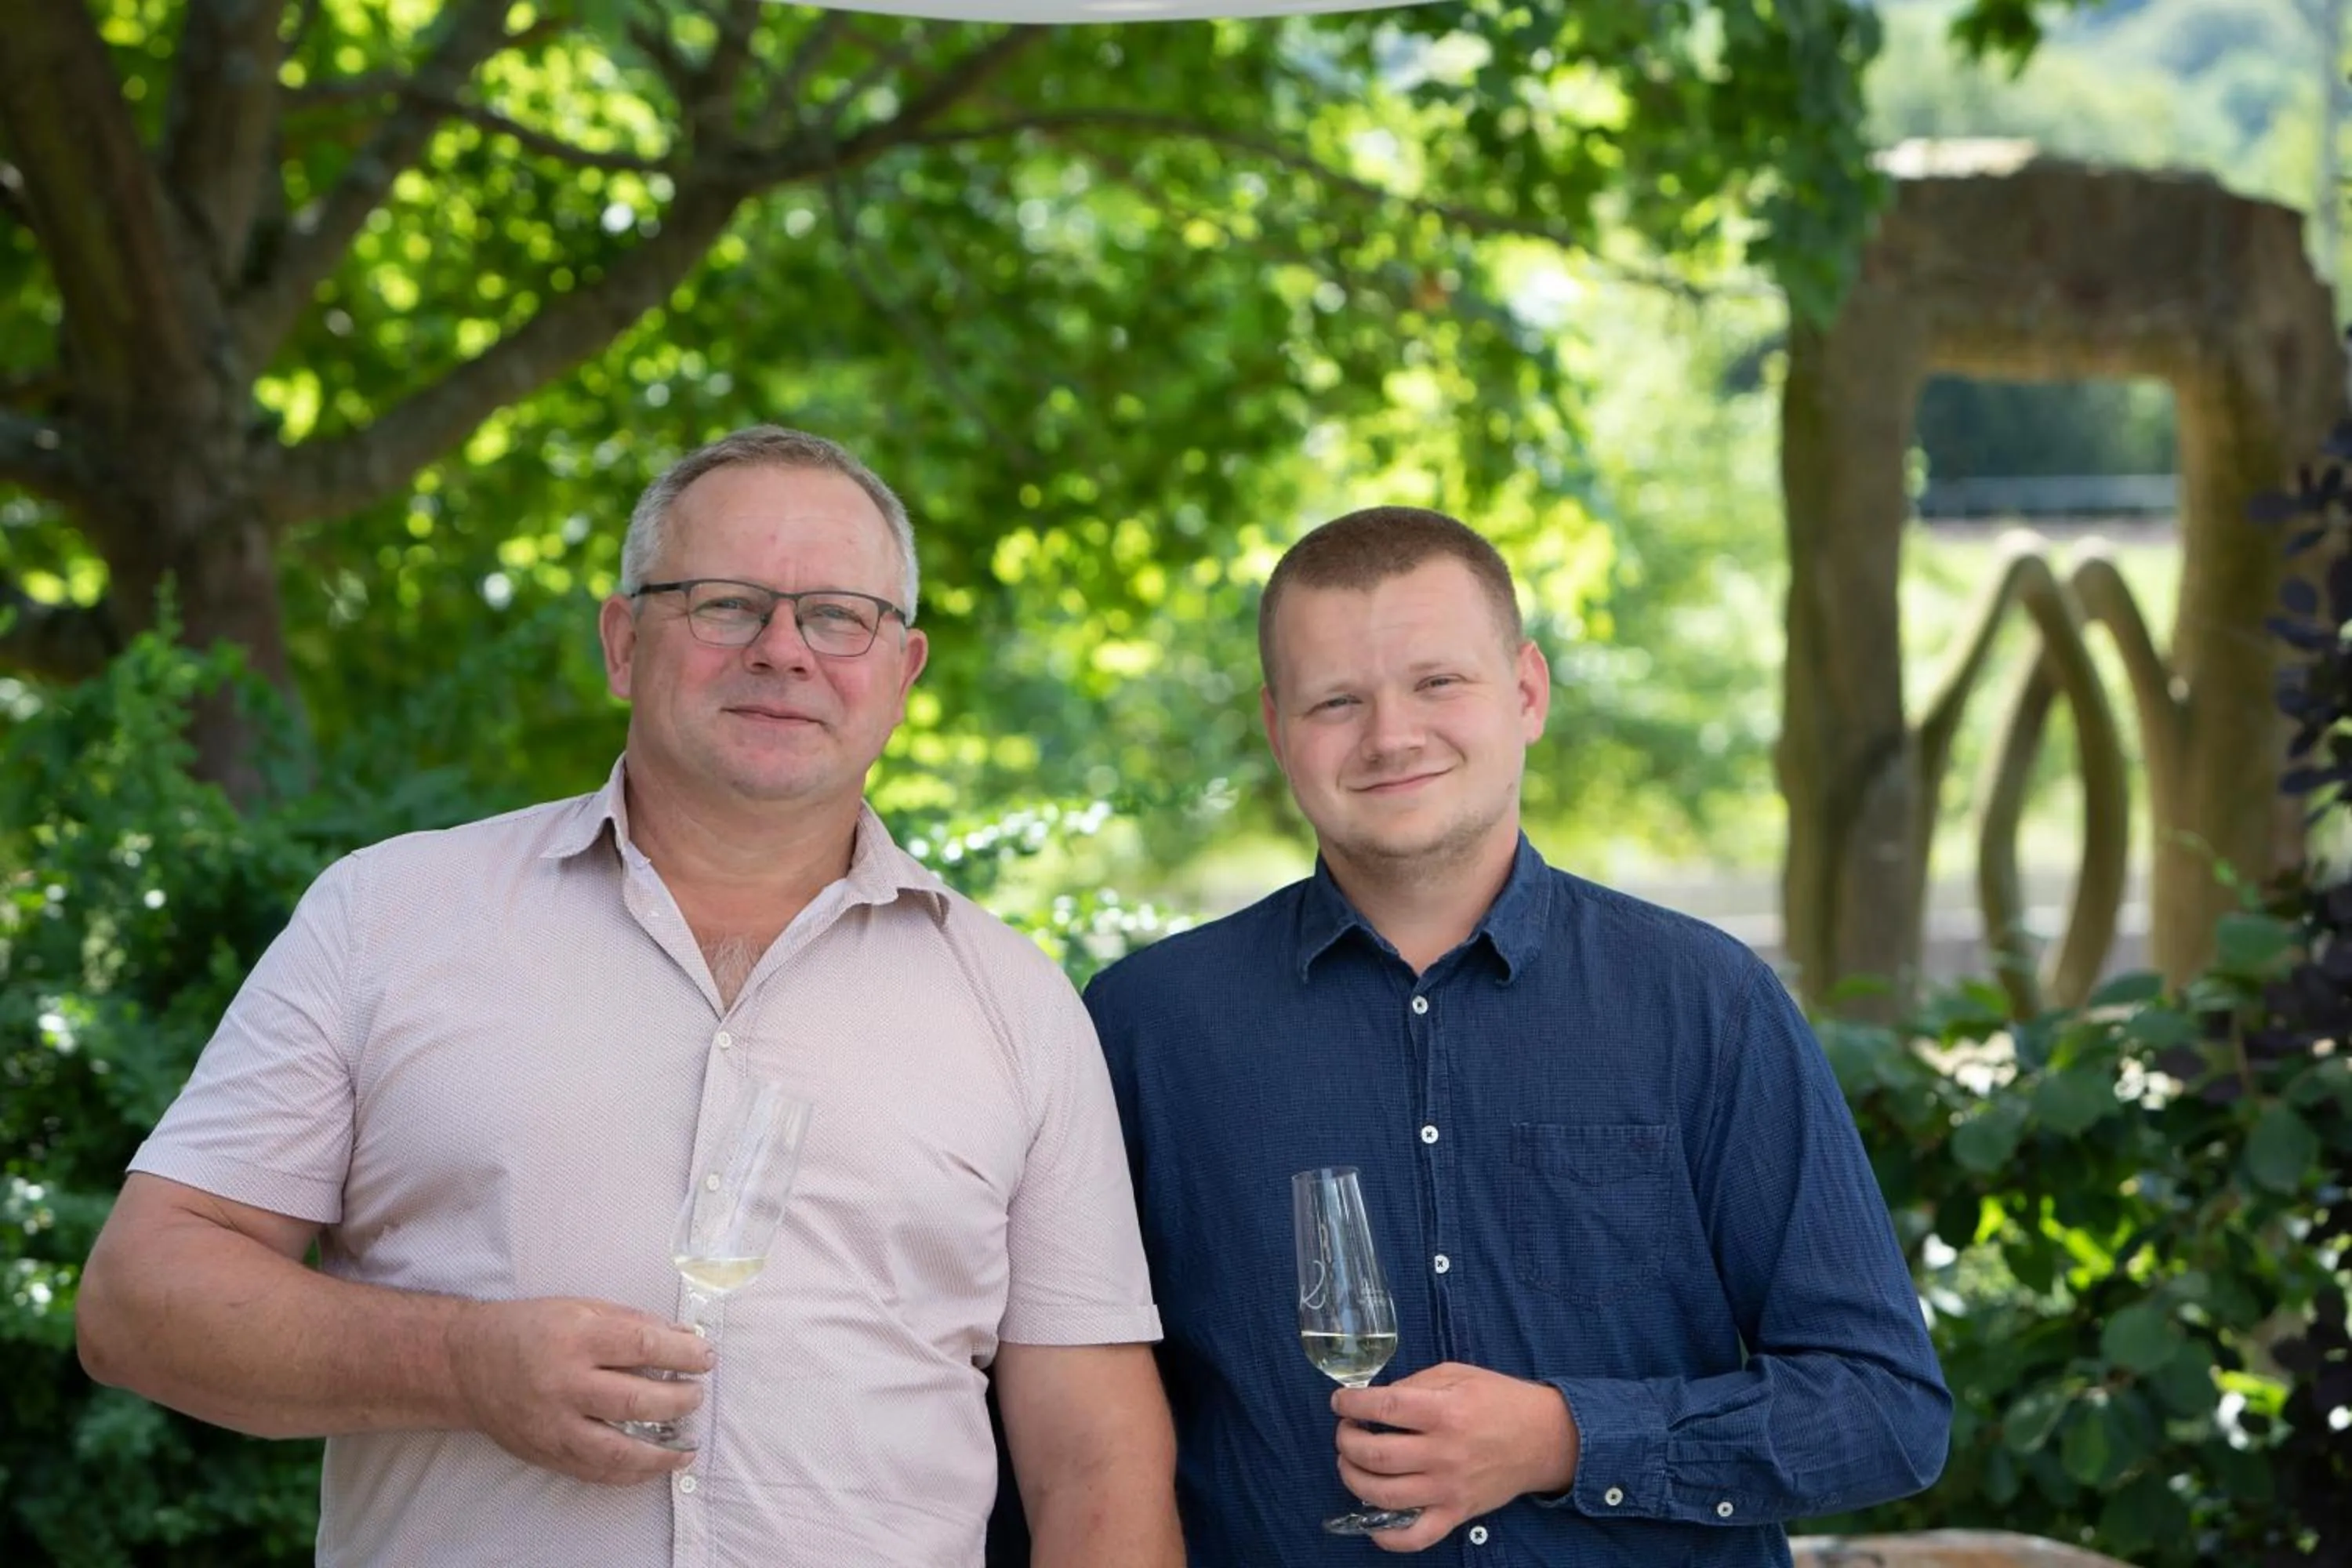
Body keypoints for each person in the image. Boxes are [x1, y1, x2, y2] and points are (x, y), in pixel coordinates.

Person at [75, 426, 1184, 1568]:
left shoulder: (1017, 1003)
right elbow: (139, 1298)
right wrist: (457, 1364)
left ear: (901, 674)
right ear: (622, 641)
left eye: (839, 616)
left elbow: (1095, 1463)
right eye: (724, 604)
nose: (784, 650)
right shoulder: (388, 917)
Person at [1083, 506, 1949, 1563]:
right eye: (1336, 701)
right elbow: (1069, 1426)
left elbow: (1885, 1412)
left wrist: (1567, 1439)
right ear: (1277, 729)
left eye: (1438, 682)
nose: (1392, 735)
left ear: (1527, 692)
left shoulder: (1707, 1003)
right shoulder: (1147, 1029)